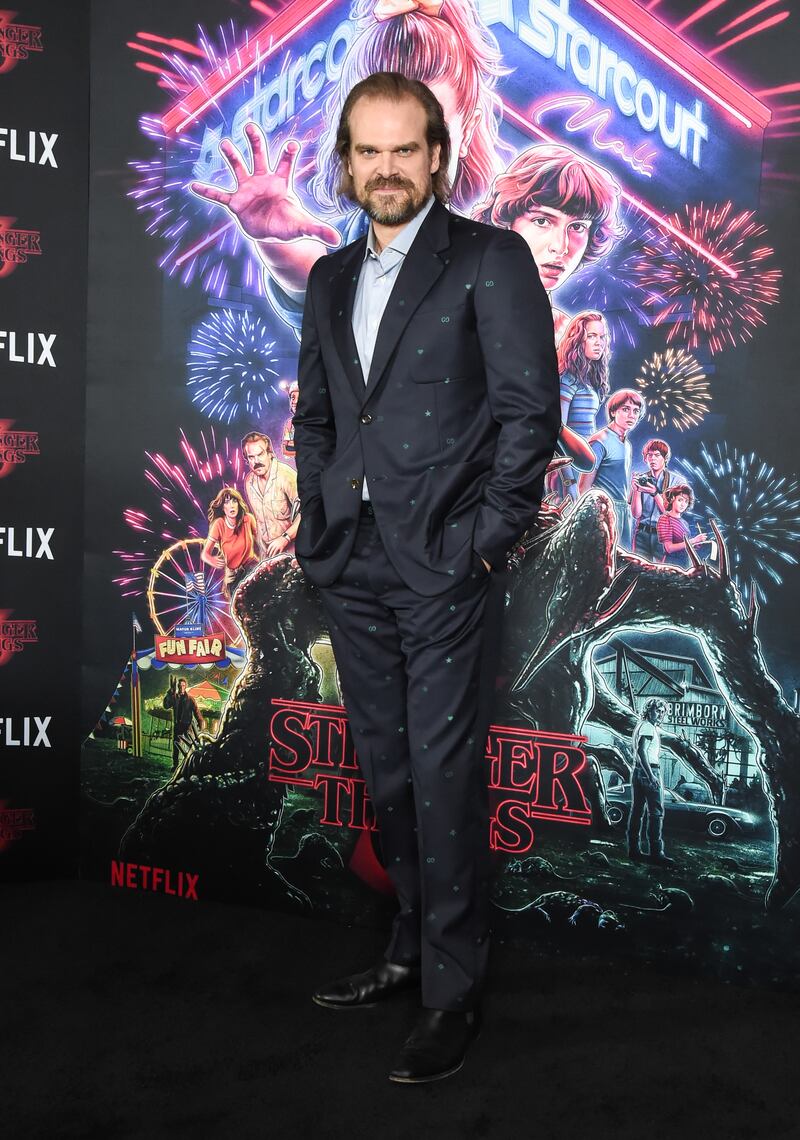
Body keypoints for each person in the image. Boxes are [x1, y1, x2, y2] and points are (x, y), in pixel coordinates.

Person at [293, 72, 559, 1083]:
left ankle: (451, 992)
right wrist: (319, 518)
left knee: (443, 774)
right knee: (387, 766)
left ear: (437, 157)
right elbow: (318, 414)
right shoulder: (328, 277)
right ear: (347, 163)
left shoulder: (488, 259)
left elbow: (529, 413)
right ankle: (406, 947)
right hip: (349, 559)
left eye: (404, 149)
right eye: (368, 151)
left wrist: (483, 544)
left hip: (444, 562)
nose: (386, 169)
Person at [191, 0, 507, 335]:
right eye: (375, 134)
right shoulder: (346, 250)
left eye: (424, 131)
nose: (393, 163)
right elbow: (317, 292)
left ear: (467, 129)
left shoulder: (496, 254)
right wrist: (278, 245)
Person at [472, 144, 623, 340]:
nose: (560, 247)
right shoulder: (461, 307)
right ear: (506, 221)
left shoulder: (566, 336)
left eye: (577, 227)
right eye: (542, 221)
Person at [554, 311, 610, 501]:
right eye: (592, 336)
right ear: (578, 339)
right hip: (568, 469)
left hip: (584, 465)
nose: (598, 342)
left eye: (602, 337)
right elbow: (557, 432)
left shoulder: (588, 379)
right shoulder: (567, 379)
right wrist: (569, 481)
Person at [579, 389, 645, 550]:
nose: (631, 415)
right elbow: (584, 487)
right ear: (613, 411)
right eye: (626, 409)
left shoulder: (627, 444)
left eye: (636, 411)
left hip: (623, 513)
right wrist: (596, 517)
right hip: (603, 512)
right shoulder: (599, 441)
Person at [627, 698, 674, 865]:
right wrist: (651, 775)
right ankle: (656, 853)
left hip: (637, 771)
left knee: (637, 812)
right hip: (649, 770)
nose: (660, 714)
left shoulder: (642, 725)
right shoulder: (648, 727)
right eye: (657, 710)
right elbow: (641, 751)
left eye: (662, 712)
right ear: (649, 710)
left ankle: (634, 850)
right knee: (656, 813)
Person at [241, 431, 300, 560]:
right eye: (251, 457)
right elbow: (260, 522)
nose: (256, 461)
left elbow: (307, 512)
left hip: (293, 553)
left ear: (269, 453)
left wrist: (285, 538)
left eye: (260, 454)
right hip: (267, 556)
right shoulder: (249, 482)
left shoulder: (287, 476)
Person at [201, 486, 259, 599]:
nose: (231, 505)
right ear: (222, 507)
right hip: (232, 574)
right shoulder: (219, 524)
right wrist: (212, 560)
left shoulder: (248, 519)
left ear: (238, 504)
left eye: (234, 501)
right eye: (226, 502)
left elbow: (260, 541)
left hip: (250, 565)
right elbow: (205, 554)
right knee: (238, 602)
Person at [631, 439, 675, 561]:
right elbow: (636, 514)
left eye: (657, 455)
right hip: (642, 533)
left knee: (664, 570)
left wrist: (654, 493)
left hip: (664, 535)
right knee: (638, 568)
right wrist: (636, 490)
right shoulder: (642, 479)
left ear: (665, 458)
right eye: (649, 455)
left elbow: (670, 513)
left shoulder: (676, 481)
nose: (652, 459)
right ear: (645, 458)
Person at [656, 483, 710, 568]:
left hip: (685, 563)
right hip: (671, 564)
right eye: (680, 500)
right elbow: (669, 548)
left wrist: (696, 544)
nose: (683, 504)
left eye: (686, 501)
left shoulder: (684, 523)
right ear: (672, 499)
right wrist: (694, 540)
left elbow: (685, 545)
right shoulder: (665, 519)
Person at [162, 676, 203, 771]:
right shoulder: (174, 698)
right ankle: (175, 765)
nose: (181, 687)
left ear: (185, 686)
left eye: (183, 685)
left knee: (191, 746)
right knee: (176, 746)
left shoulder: (190, 699)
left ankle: (192, 765)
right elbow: (166, 706)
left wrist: (200, 724)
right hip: (178, 726)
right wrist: (170, 692)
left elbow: (197, 712)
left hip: (188, 726)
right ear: (178, 686)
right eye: (180, 685)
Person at [282, 381, 299, 461]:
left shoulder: (315, 421)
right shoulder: (289, 423)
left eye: (299, 398)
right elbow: (285, 450)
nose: (295, 402)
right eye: (293, 398)